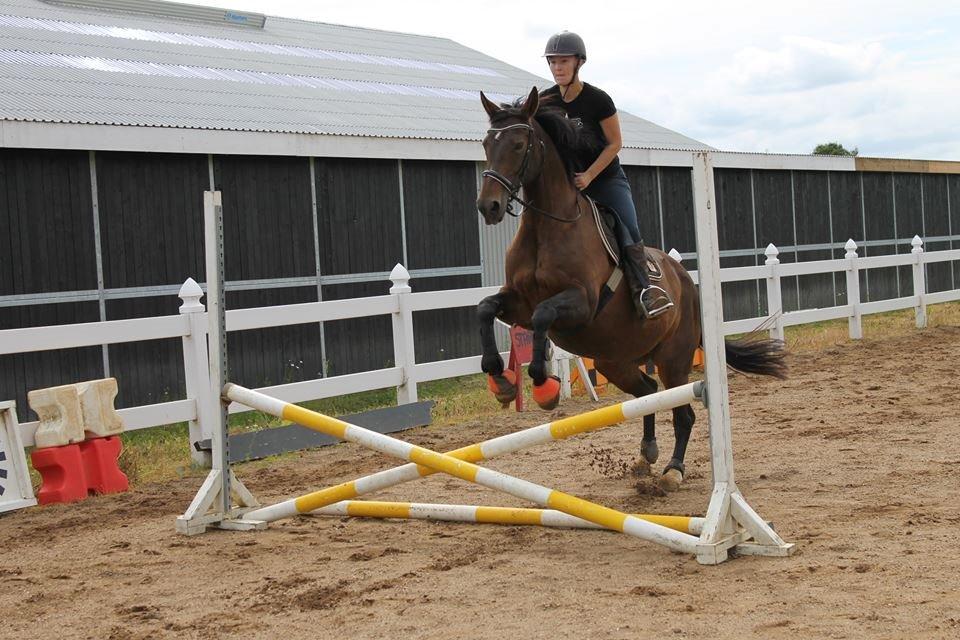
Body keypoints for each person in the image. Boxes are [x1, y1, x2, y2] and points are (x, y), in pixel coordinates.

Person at [541, 31, 673, 318]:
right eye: (552, 62)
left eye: (563, 61)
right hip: (569, 184)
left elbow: (615, 144)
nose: (557, 68)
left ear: (579, 63)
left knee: (629, 226)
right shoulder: (545, 100)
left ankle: (644, 292)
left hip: (605, 180)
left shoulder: (598, 100)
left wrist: (589, 175)